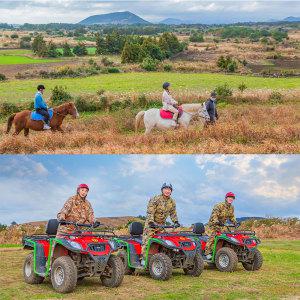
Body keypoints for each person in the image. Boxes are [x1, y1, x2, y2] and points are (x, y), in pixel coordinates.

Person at [141, 183, 180, 265]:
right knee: (147, 241)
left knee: (164, 242)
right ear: (162, 190)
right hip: (151, 225)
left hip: (161, 225)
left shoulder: (172, 202)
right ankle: (144, 259)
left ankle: (162, 260)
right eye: (165, 189)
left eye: (169, 189)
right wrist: (151, 222)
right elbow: (150, 212)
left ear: (171, 191)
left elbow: (173, 213)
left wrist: (175, 221)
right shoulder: (155, 199)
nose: (167, 191)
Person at [204, 192, 238, 259]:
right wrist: (216, 221)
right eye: (229, 197)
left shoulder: (231, 207)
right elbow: (214, 215)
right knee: (212, 238)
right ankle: (207, 253)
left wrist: (235, 222)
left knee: (227, 236)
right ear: (226, 198)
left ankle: (221, 252)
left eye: (232, 198)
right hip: (213, 225)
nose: (231, 199)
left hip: (222, 225)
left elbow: (231, 217)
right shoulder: (219, 205)